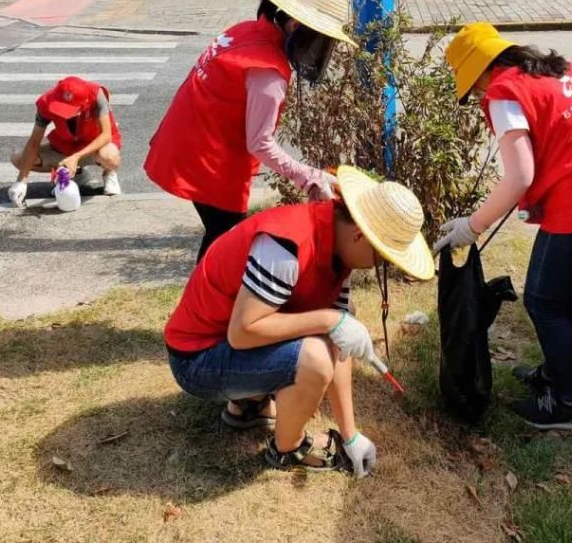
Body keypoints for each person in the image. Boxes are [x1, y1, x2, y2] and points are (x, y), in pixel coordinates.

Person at [435, 23, 572, 431]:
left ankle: (568, 405)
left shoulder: (503, 93)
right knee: (566, 294)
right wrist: (570, 145)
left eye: (472, 87)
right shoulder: (559, 69)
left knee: (544, 302)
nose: (476, 96)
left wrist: (471, 227)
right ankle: (555, 374)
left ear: (480, 72)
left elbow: (520, 177)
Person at [164, 165, 435, 475]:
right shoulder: (286, 246)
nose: (380, 265)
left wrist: (351, 435)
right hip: (197, 360)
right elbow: (242, 332)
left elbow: (339, 341)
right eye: (382, 256)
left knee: (338, 327)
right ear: (360, 234)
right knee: (316, 358)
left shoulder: (338, 245)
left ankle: (248, 405)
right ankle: (287, 449)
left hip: (222, 344)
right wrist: (329, 319)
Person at [144, 0, 356, 261]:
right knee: (226, 246)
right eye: (318, 39)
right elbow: (260, 142)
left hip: (187, 141)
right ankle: (206, 302)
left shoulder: (244, 31)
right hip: (209, 158)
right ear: (295, 26)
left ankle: (206, 299)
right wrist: (309, 178)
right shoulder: (267, 70)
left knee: (221, 238)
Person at [9, 76, 123, 207]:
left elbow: (106, 135)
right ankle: (77, 174)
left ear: (84, 102)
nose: (64, 114)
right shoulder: (46, 102)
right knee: (19, 159)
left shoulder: (97, 95)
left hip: (95, 145)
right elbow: (34, 141)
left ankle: (109, 173)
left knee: (110, 157)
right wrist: (21, 181)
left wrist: (76, 157)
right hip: (65, 146)